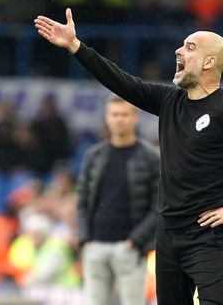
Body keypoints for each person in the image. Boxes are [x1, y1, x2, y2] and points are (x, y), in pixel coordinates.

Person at [34, 9, 223, 305]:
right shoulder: (169, 101)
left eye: (190, 47)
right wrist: (77, 47)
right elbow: (122, 82)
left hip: (209, 237)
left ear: (209, 61)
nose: (179, 50)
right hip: (167, 235)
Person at [76, 95, 160, 305]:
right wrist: (85, 240)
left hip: (130, 249)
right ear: (107, 117)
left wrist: (135, 241)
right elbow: (82, 201)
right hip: (95, 246)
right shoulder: (94, 155)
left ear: (135, 118)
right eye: (114, 114)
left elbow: (159, 205)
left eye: (124, 114)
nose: (119, 119)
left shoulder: (151, 157)